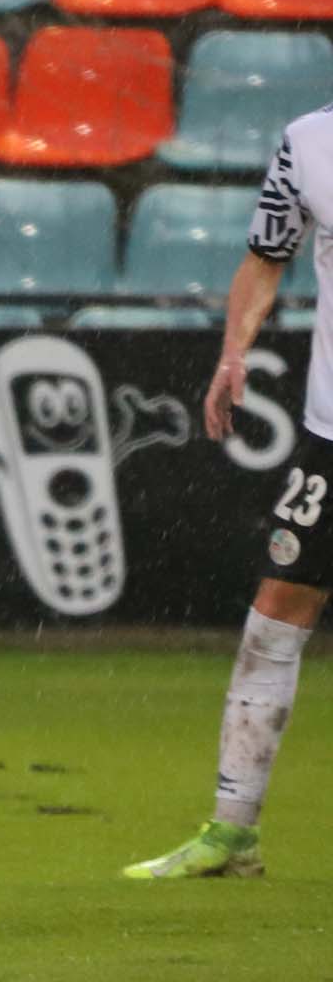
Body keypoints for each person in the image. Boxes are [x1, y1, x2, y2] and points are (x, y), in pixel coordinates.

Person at [123, 98, 333, 880]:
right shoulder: (310, 144)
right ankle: (232, 831)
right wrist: (231, 352)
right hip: (332, 433)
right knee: (278, 608)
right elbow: (266, 255)